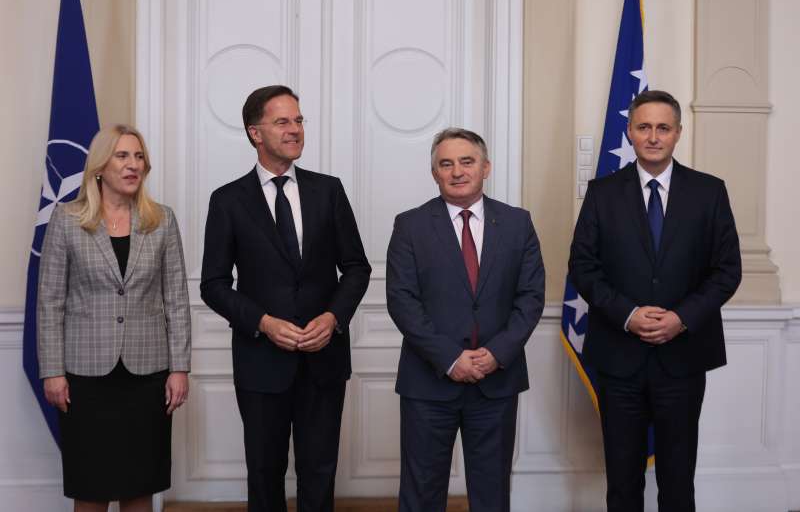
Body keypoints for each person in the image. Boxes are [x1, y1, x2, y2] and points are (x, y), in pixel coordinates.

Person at [568, 90, 742, 512]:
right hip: (619, 358)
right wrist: (628, 314)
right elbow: (583, 267)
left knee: (678, 481)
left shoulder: (709, 192)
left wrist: (681, 317)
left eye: (663, 128)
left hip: (683, 358)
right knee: (622, 483)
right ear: (629, 131)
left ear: (678, 133)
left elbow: (727, 271)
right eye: (643, 127)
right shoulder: (602, 193)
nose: (653, 136)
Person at [200, 85, 371, 511]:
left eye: (298, 120)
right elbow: (213, 284)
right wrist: (263, 322)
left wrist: (333, 318)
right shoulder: (227, 200)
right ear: (255, 133)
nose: (295, 129)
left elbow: (356, 267)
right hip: (261, 361)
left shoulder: (328, 191)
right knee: (264, 472)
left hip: (323, 358)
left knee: (320, 471)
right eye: (282, 122)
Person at [386, 127, 545, 512]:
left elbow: (530, 297)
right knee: (421, 494)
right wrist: (450, 358)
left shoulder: (517, 223)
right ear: (434, 173)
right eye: (446, 164)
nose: (457, 171)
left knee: (491, 495)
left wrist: (496, 353)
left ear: (486, 167)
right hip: (429, 382)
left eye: (467, 162)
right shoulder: (410, 225)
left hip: (496, 382)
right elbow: (402, 300)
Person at [37, 124, 191, 512]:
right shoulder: (67, 219)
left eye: (139, 157)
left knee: (140, 486)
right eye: (122, 156)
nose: (132, 164)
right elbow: (50, 302)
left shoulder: (162, 220)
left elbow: (176, 300)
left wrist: (179, 368)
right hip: (86, 378)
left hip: (148, 377)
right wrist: (52, 370)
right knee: (91, 488)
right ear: (100, 166)